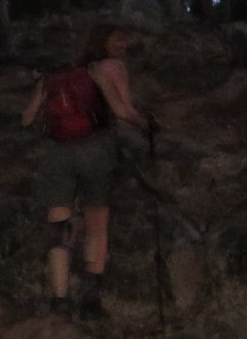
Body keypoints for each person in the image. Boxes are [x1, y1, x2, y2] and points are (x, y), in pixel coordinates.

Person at [21, 24, 154, 319]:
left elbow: (26, 118)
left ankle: (60, 301)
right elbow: (122, 112)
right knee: (96, 222)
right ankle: (91, 302)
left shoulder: (53, 77)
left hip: (56, 155)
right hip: (95, 150)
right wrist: (149, 125)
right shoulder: (97, 71)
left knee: (58, 225)